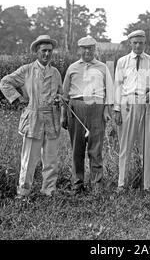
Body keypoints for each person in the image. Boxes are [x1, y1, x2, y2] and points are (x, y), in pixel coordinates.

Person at [0, 35, 63, 199]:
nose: (47, 54)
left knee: (51, 160)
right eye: (44, 51)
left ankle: (49, 192)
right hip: (33, 119)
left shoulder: (55, 73)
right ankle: (23, 193)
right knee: (28, 161)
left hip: (52, 120)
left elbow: (61, 94)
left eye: (50, 51)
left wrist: (59, 99)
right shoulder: (26, 70)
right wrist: (18, 98)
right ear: (37, 51)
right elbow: (5, 82)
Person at [61, 36, 113, 195]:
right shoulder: (73, 68)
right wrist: (64, 115)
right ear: (79, 50)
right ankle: (77, 184)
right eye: (84, 48)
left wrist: (106, 111)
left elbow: (109, 92)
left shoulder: (103, 67)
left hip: (96, 108)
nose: (87, 51)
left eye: (90, 48)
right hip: (76, 108)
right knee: (77, 148)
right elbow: (65, 94)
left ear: (95, 49)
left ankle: (97, 184)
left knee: (95, 148)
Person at [114, 30, 150, 193]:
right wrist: (116, 109)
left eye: (141, 43)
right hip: (128, 104)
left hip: (147, 104)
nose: (138, 45)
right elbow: (118, 86)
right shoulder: (122, 62)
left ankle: (148, 184)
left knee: (147, 145)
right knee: (125, 145)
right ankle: (122, 183)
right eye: (135, 43)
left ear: (145, 43)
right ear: (130, 43)